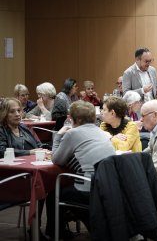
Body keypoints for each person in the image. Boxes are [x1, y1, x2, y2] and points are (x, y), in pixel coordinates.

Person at [45, 100, 115, 238]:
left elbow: (56, 159)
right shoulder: (100, 131)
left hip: (89, 188)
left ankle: (55, 233)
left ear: (71, 118)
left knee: (53, 195)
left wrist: (58, 135)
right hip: (108, 187)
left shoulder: (73, 134)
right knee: (69, 188)